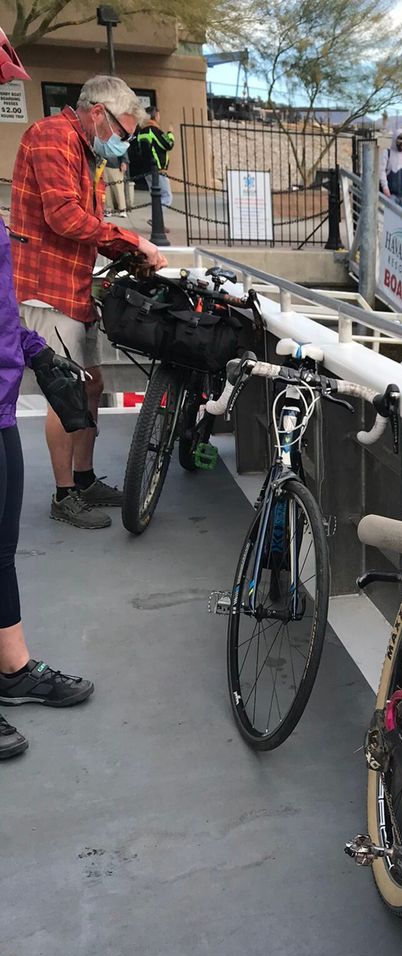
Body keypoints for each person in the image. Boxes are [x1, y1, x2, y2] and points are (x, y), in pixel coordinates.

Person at [11, 75, 167, 529]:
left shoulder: (83, 149)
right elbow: (63, 217)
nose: (122, 142)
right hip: (46, 287)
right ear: (98, 113)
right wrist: (134, 240)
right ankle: (65, 495)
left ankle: (84, 478)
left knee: (91, 385)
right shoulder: (52, 137)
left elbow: (85, 225)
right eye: (121, 131)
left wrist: (128, 252)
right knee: (66, 389)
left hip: (74, 286)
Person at [0, 28, 96, 761]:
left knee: (0, 546)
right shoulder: (55, 140)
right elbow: (64, 218)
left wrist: (35, 355)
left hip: (1, 397)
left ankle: (12, 669)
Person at [132, 106, 175, 208]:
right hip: (157, 169)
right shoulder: (155, 130)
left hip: (146, 169)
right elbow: (169, 144)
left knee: (156, 196)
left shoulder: (141, 132)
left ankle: (155, 216)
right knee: (166, 196)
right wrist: (170, 133)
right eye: (158, 115)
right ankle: (157, 217)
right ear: (155, 116)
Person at [379, 129, 402, 205]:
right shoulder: (387, 153)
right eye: (400, 141)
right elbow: (381, 171)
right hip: (390, 195)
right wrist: (385, 187)